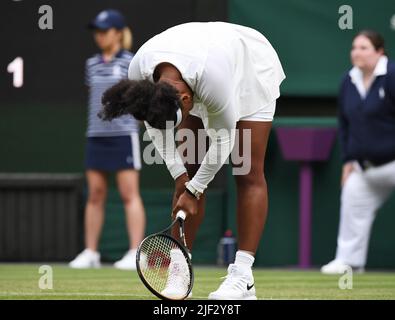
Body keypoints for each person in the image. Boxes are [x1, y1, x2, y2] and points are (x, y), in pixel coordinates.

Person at [100, 22, 285, 299]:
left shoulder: (214, 81)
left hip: (249, 66)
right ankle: (179, 270)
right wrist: (181, 178)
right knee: (189, 168)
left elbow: (225, 141)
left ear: (186, 98)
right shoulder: (140, 72)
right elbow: (155, 128)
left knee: (246, 170)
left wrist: (194, 189)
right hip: (201, 56)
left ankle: (243, 277)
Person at [69, 9, 145, 270]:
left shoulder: (131, 62)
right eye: (97, 32)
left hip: (123, 135)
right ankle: (91, 252)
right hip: (96, 136)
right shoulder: (91, 64)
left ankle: (136, 252)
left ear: (118, 33)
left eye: (104, 31)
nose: (99, 36)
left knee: (129, 194)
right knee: (96, 195)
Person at [321, 30, 395, 274]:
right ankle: (350, 262)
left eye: (364, 48)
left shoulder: (392, 75)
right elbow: (345, 124)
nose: (357, 52)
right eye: (354, 47)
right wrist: (349, 160)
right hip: (364, 166)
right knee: (353, 198)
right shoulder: (348, 81)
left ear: (379, 52)